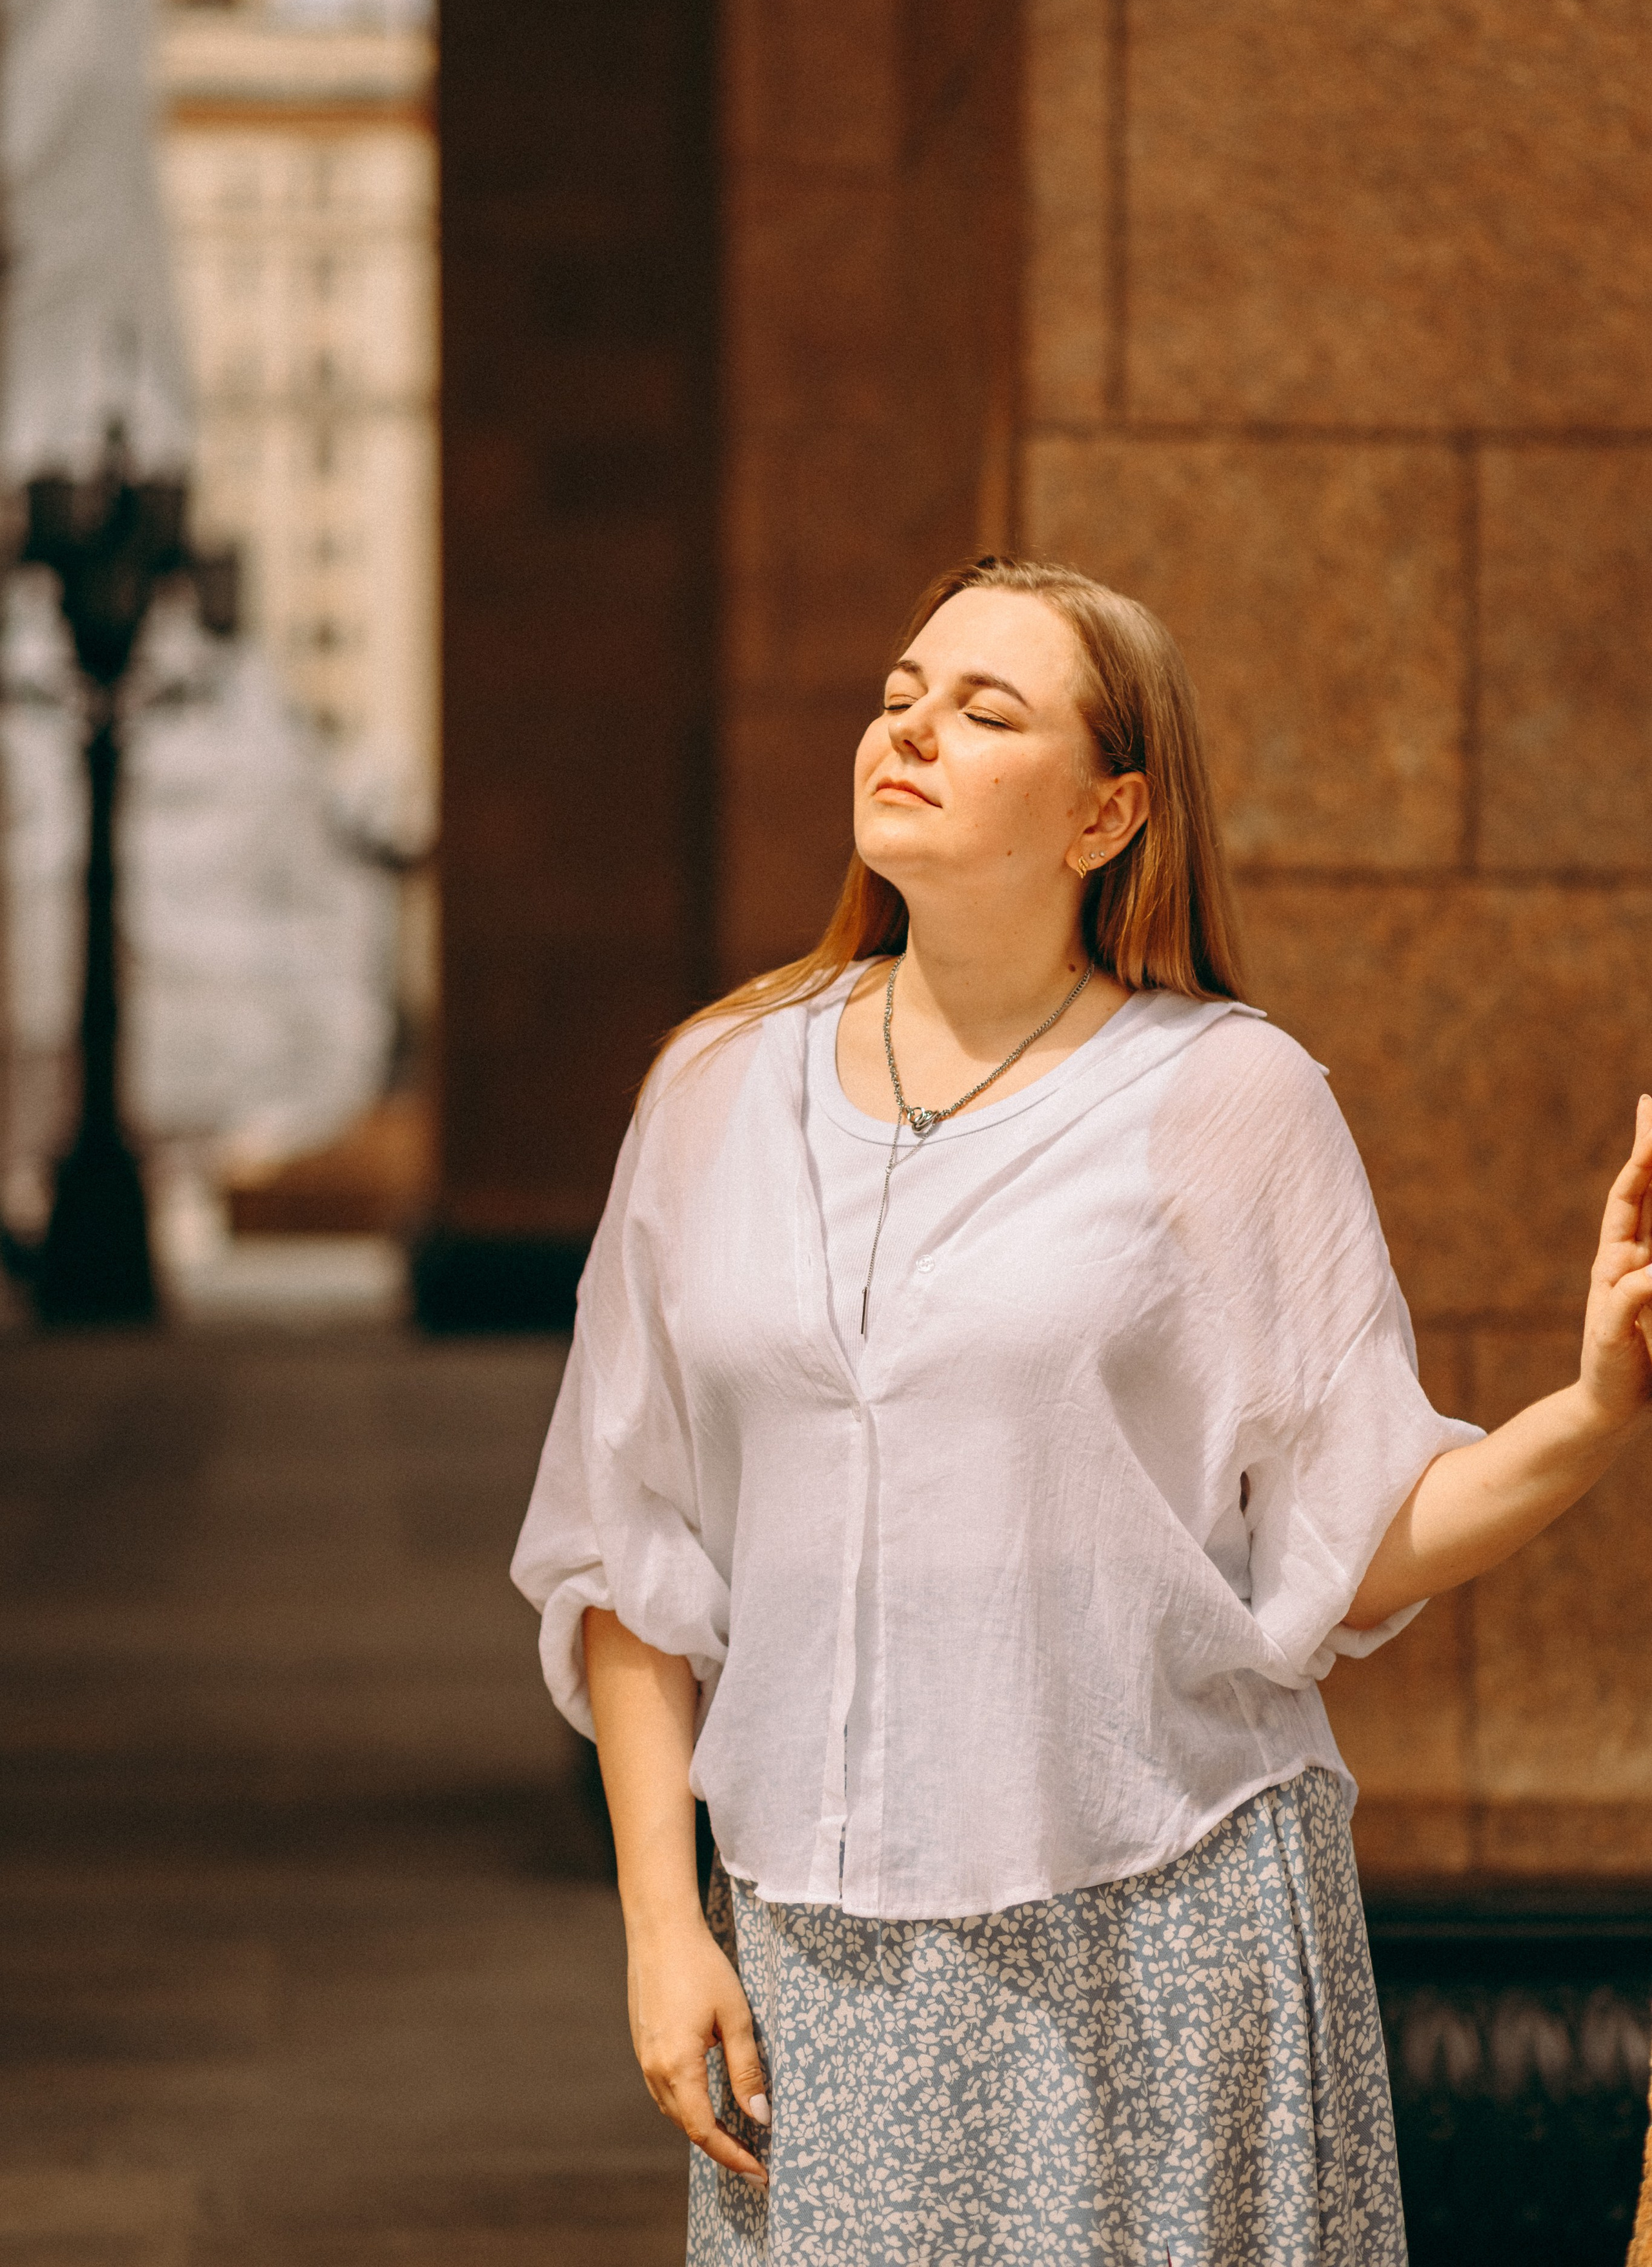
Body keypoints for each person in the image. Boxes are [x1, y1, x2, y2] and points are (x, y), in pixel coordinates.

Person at [512, 557, 1652, 2266]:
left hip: (1163, 1942)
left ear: (1109, 813)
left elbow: (1355, 1532)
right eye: (902, 695)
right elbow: (630, 1551)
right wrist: (662, 1934)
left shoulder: (1225, 1097)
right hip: (816, 1970)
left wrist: (1594, 1411)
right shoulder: (714, 1090)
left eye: (987, 712)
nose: (914, 730)